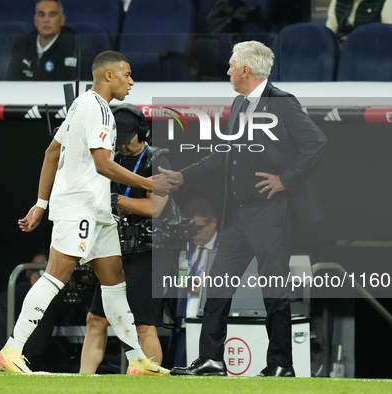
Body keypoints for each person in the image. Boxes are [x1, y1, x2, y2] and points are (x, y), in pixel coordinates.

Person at [0, 50, 174, 375]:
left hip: (97, 210)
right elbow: (103, 164)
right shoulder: (100, 112)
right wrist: (147, 182)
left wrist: (41, 203)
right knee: (55, 276)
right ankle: (12, 349)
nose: (131, 81)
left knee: (115, 282)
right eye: (127, 74)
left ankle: (137, 360)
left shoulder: (81, 104)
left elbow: (52, 153)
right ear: (108, 76)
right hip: (80, 209)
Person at [159, 41, 327, 377]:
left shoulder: (282, 102)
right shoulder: (238, 103)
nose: (228, 71)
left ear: (246, 70)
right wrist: (182, 176)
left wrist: (286, 179)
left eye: (231, 65)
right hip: (237, 216)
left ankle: (281, 365)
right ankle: (211, 360)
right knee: (217, 285)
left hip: (270, 213)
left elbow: (316, 141)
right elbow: (221, 154)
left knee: (273, 291)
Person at [79, 104, 178, 373]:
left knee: (144, 324)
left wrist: (112, 200)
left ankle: (150, 383)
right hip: (117, 248)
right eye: (117, 137)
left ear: (141, 132)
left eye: (126, 138)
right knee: (96, 319)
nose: (121, 143)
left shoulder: (158, 159)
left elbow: (154, 208)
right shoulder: (111, 159)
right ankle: (81, 381)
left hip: (152, 251)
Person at [172, 198, 218, 368]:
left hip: (213, 325)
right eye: (190, 229)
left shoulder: (228, 249)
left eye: (197, 228)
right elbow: (177, 278)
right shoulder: (185, 248)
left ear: (212, 223)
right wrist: (185, 283)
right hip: (185, 320)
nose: (194, 234)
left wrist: (205, 288)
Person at [7, 0, 78, 81]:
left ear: (62, 20)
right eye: (41, 15)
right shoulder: (22, 44)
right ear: (35, 20)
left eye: (52, 15)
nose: (46, 20)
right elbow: (11, 81)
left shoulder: (73, 46)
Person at [326, 0, 392, 41]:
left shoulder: (390, 4)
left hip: (373, 58)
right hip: (343, 56)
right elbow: (329, 34)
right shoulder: (338, 2)